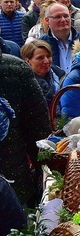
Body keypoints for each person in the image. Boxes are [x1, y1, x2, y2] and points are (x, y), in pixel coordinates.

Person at [0, 46, 51, 208]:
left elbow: (39, 133)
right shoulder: (16, 68)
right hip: (15, 184)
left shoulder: (16, 70)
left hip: (13, 180)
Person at [39, 2, 77, 73]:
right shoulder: (41, 45)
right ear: (47, 21)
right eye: (57, 17)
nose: (63, 20)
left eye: (66, 16)